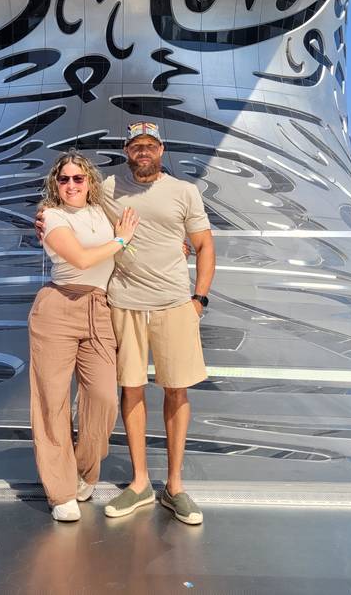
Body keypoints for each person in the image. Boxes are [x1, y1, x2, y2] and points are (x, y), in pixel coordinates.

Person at [36, 121, 215, 526]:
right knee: (128, 391)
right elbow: (75, 226)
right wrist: (44, 218)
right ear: (127, 151)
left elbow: (203, 244)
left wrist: (199, 299)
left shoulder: (184, 192)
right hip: (123, 304)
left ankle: (175, 485)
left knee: (174, 391)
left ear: (161, 149)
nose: (144, 152)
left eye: (150, 145)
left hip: (173, 304)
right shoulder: (108, 190)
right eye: (137, 147)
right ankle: (138, 483)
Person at [29, 152, 139, 522]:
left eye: (78, 179)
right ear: (55, 184)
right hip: (58, 308)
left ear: (90, 181)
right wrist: (121, 241)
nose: (72, 185)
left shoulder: (100, 212)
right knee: (52, 402)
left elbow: (141, 226)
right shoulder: (51, 216)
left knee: (104, 397)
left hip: (99, 309)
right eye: (64, 180)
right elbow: (79, 259)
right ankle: (60, 491)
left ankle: (82, 470)